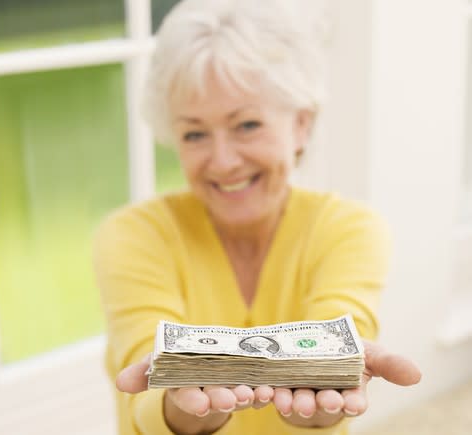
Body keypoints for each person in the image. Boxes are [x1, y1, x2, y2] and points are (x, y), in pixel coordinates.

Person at [93, 0, 422, 434]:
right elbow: (145, 387)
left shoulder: (349, 229)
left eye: (247, 125)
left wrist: (329, 391)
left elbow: (337, 351)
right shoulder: (133, 235)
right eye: (195, 133)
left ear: (301, 124)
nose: (224, 161)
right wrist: (181, 405)